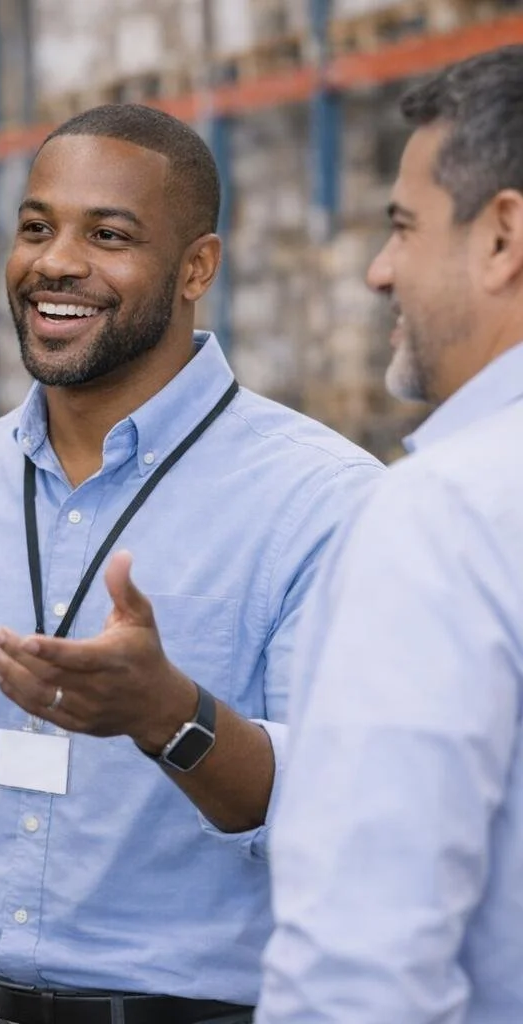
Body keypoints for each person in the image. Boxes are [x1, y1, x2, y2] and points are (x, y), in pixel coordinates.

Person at [0, 102, 384, 1024]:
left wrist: (171, 719)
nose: (56, 262)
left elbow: (338, 811)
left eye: (108, 234)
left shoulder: (323, 499)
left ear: (198, 268)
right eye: (36, 227)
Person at [257, 45, 523, 1024]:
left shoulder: (443, 517)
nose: (378, 272)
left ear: (501, 238)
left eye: (403, 228)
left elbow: (359, 968)